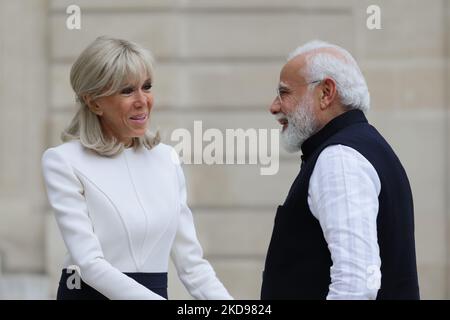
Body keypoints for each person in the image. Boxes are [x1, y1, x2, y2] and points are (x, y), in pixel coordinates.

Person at [41, 36, 232, 300]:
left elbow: (192, 266)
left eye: (147, 86)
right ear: (94, 102)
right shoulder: (62, 161)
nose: (142, 100)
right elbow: (89, 264)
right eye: (127, 91)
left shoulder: (167, 158)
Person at [261, 40, 420, 300]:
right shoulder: (362, 146)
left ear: (326, 93)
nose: (274, 107)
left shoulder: (340, 159)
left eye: (284, 93)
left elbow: (355, 284)